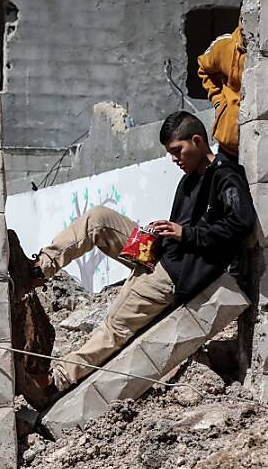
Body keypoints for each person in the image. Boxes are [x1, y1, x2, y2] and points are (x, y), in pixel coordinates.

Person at [32, 111, 256, 392]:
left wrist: (185, 234)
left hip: (175, 273)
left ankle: (57, 380)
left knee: (116, 324)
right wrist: (161, 233)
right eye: (170, 153)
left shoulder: (224, 176)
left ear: (197, 141)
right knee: (98, 219)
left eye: (178, 151)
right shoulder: (188, 181)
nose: (175, 159)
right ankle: (38, 270)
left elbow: (241, 223)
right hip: (161, 253)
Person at [197, 22, 246, 160]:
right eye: (242, 19)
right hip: (229, 146)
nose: (244, 26)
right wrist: (219, 102)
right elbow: (203, 67)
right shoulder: (225, 46)